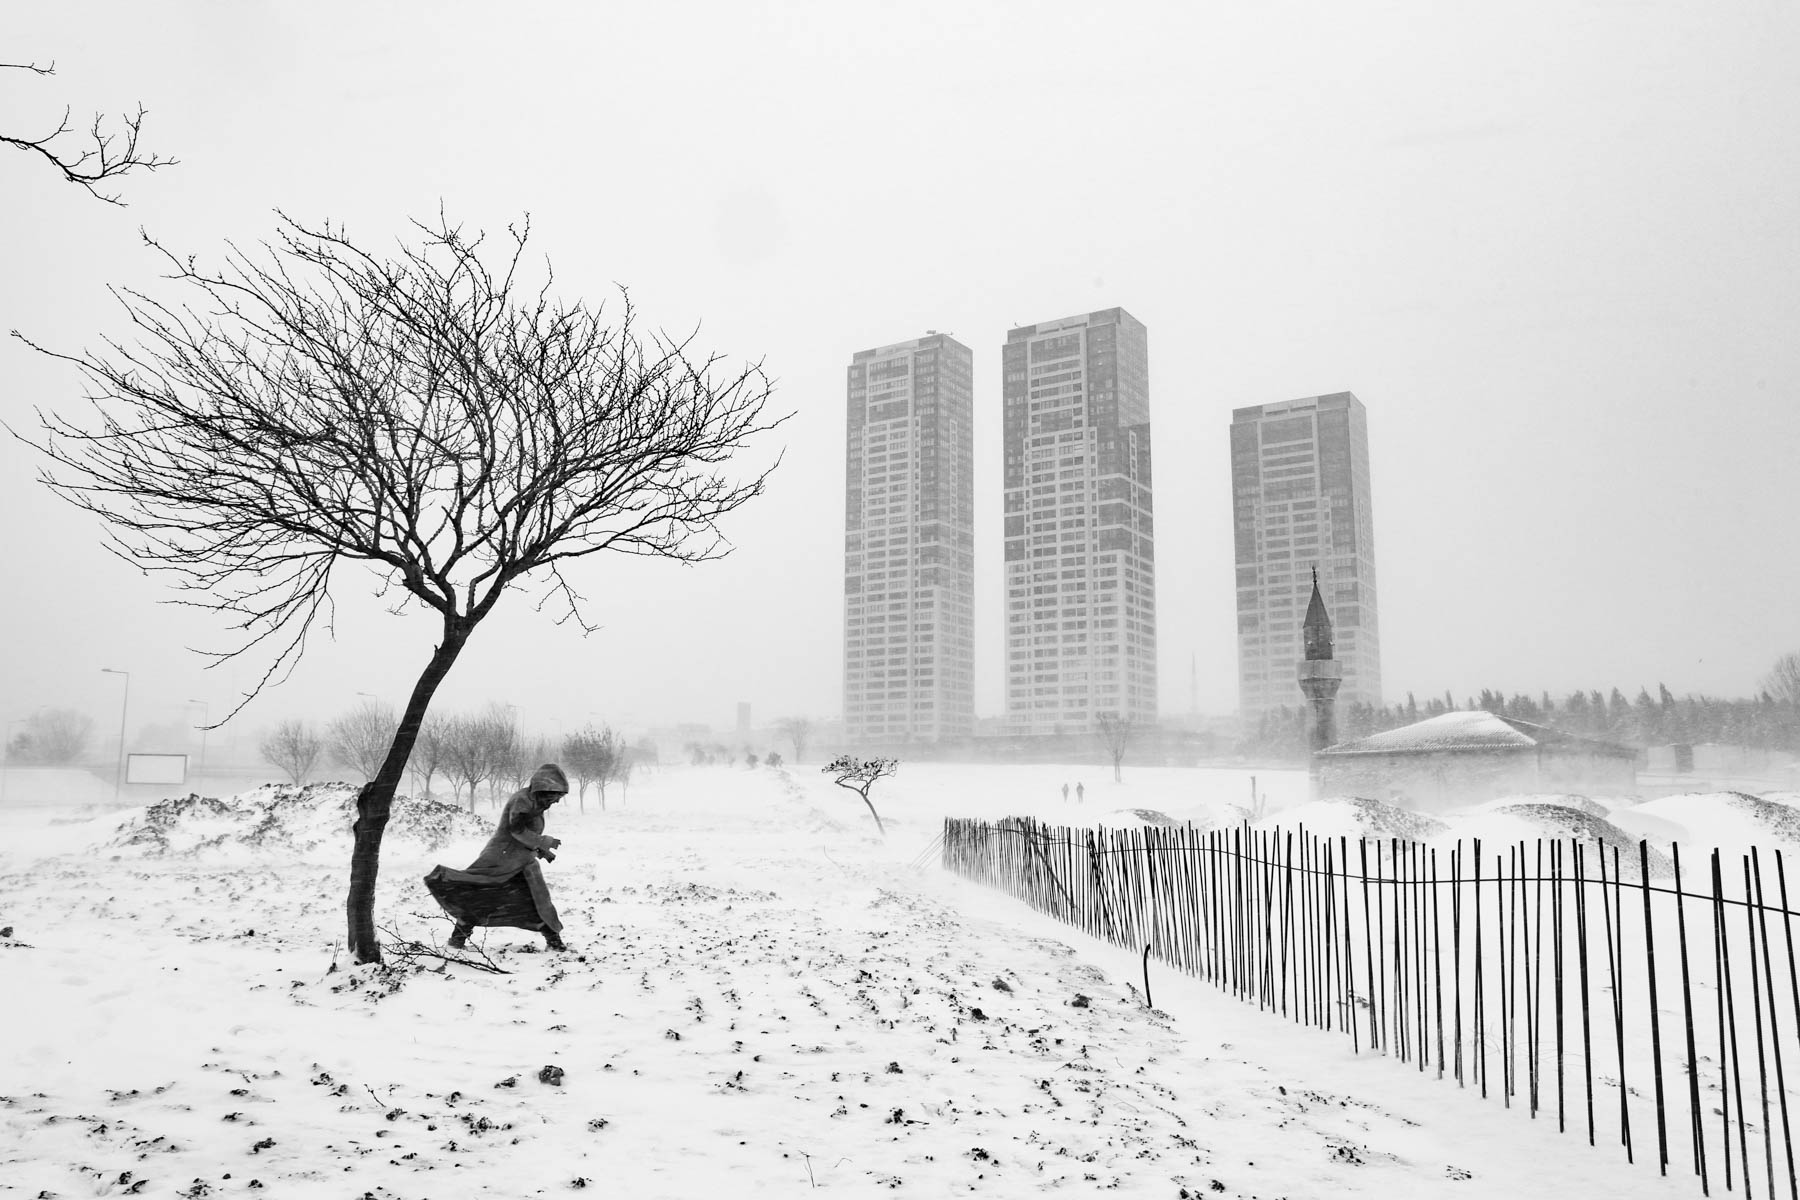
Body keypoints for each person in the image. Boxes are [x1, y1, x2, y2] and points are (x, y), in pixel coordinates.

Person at [424, 763, 570, 952]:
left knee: (536, 899)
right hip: (499, 861)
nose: (557, 801)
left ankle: (554, 941)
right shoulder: (522, 802)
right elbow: (516, 830)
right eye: (556, 796)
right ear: (544, 791)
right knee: (480, 895)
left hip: (519, 862)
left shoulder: (533, 802)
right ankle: (457, 940)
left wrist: (543, 851)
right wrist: (544, 841)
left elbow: (524, 835)